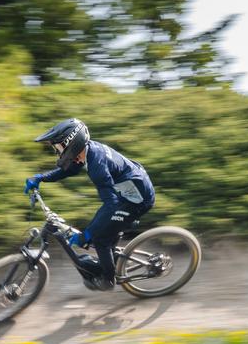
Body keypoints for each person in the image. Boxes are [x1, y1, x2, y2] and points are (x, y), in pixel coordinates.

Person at [24, 118, 155, 291]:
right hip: (128, 190)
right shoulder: (86, 150)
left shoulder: (97, 167)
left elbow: (111, 205)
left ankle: (108, 280)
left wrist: (87, 235)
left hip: (138, 200)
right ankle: (110, 258)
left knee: (100, 239)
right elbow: (69, 170)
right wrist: (41, 178)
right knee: (99, 230)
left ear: (72, 143)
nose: (57, 152)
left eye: (59, 147)